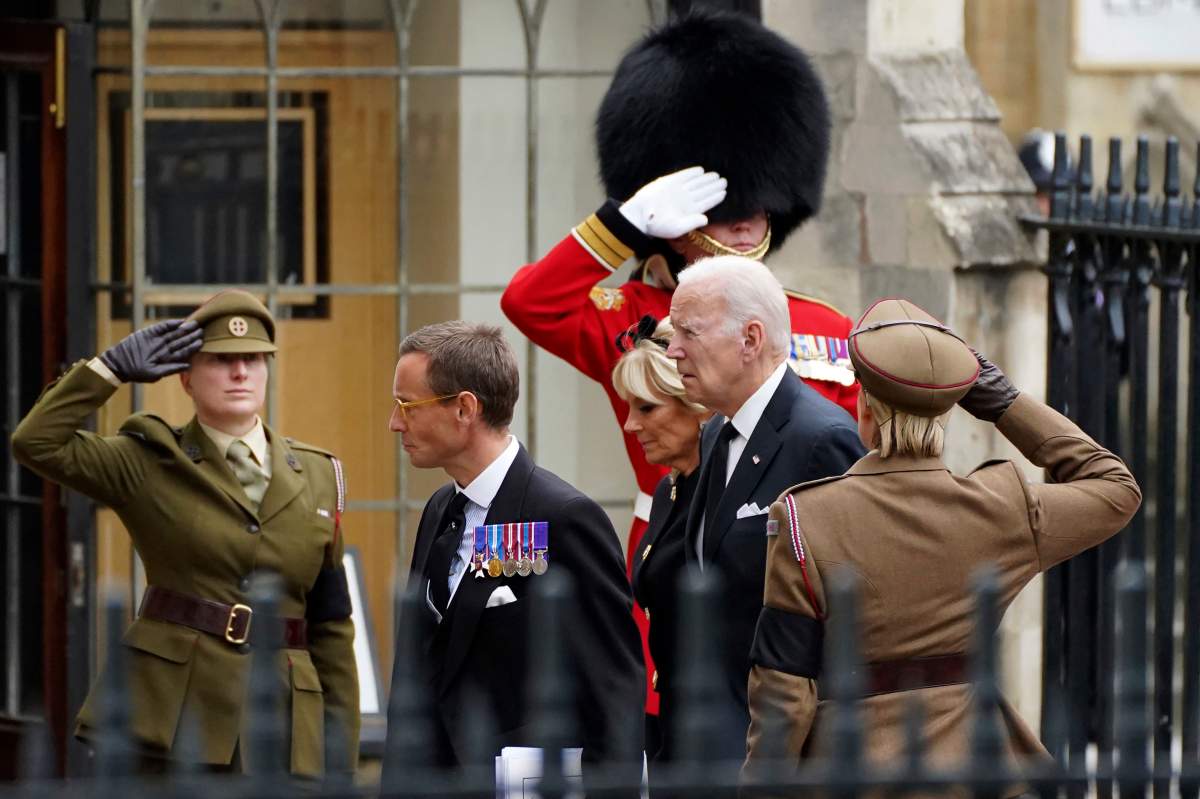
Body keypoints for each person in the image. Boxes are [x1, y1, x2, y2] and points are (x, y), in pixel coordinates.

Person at [500, 9, 859, 718]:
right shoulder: (630, 313)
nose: (748, 210)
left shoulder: (826, 327)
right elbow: (531, 302)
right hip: (676, 568)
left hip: (792, 585)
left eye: (757, 197)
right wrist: (623, 222)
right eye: (727, 198)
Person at [743, 298, 1142, 789]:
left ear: (864, 406)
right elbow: (1115, 486)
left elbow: (784, 690)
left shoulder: (806, 517)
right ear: (951, 410)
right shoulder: (1002, 507)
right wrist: (1002, 402)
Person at [10, 289, 360, 777]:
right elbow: (36, 442)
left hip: (285, 728)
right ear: (185, 377)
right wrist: (108, 370)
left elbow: (331, 623)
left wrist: (339, 756)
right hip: (176, 723)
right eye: (221, 359)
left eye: (254, 359)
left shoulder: (320, 473)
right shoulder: (147, 460)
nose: (241, 372)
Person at [389, 321, 644, 785]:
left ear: (464, 408)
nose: (395, 422)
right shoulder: (440, 508)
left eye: (407, 405)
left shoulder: (564, 517)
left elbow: (613, 689)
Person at [664, 256, 865, 762]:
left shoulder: (822, 439)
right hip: (713, 737)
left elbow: (851, 614)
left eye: (689, 331)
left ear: (750, 339)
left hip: (785, 750)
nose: (673, 349)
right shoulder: (715, 433)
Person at [612, 315, 710, 764]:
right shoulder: (668, 489)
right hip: (667, 718)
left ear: (697, 406)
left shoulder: (726, 493)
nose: (630, 425)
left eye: (647, 408)